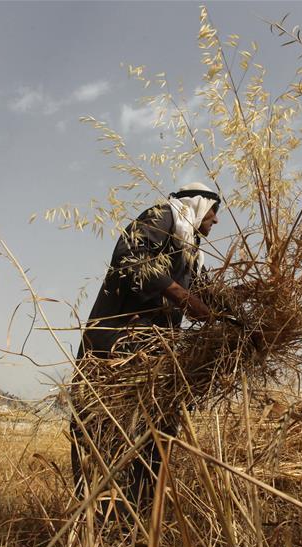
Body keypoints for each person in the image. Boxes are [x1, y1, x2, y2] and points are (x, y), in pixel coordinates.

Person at [70, 182, 221, 510]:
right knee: (99, 425)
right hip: (115, 345)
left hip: (154, 354)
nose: (216, 220)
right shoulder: (161, 217)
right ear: (197, 205)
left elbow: (208, 295)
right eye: (213, 211)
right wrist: (183, 297)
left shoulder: (190, 250)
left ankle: (136, 520)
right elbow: (130, 260)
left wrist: (245, 312)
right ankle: (90, 519)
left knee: (152, 431)